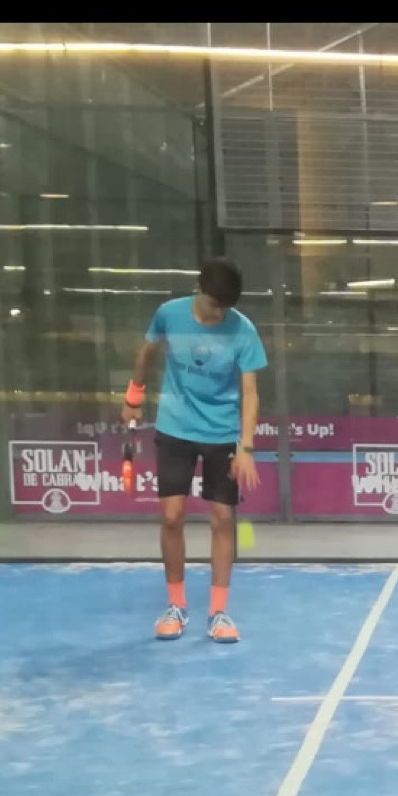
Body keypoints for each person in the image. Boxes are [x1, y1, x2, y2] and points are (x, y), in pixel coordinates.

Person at [122, 257, 267, 643]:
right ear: (199, 289)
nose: (220, 313)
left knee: (222, 519)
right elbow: (147, 352)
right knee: (172, 518)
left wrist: (246, 446)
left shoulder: (243, 330)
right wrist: (133, 396)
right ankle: (176, 605)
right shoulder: (169, 314)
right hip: (175, 426)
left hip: (221, 433)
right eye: (215, 304)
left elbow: (250, 393)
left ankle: (219, 612)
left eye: (226, 307)